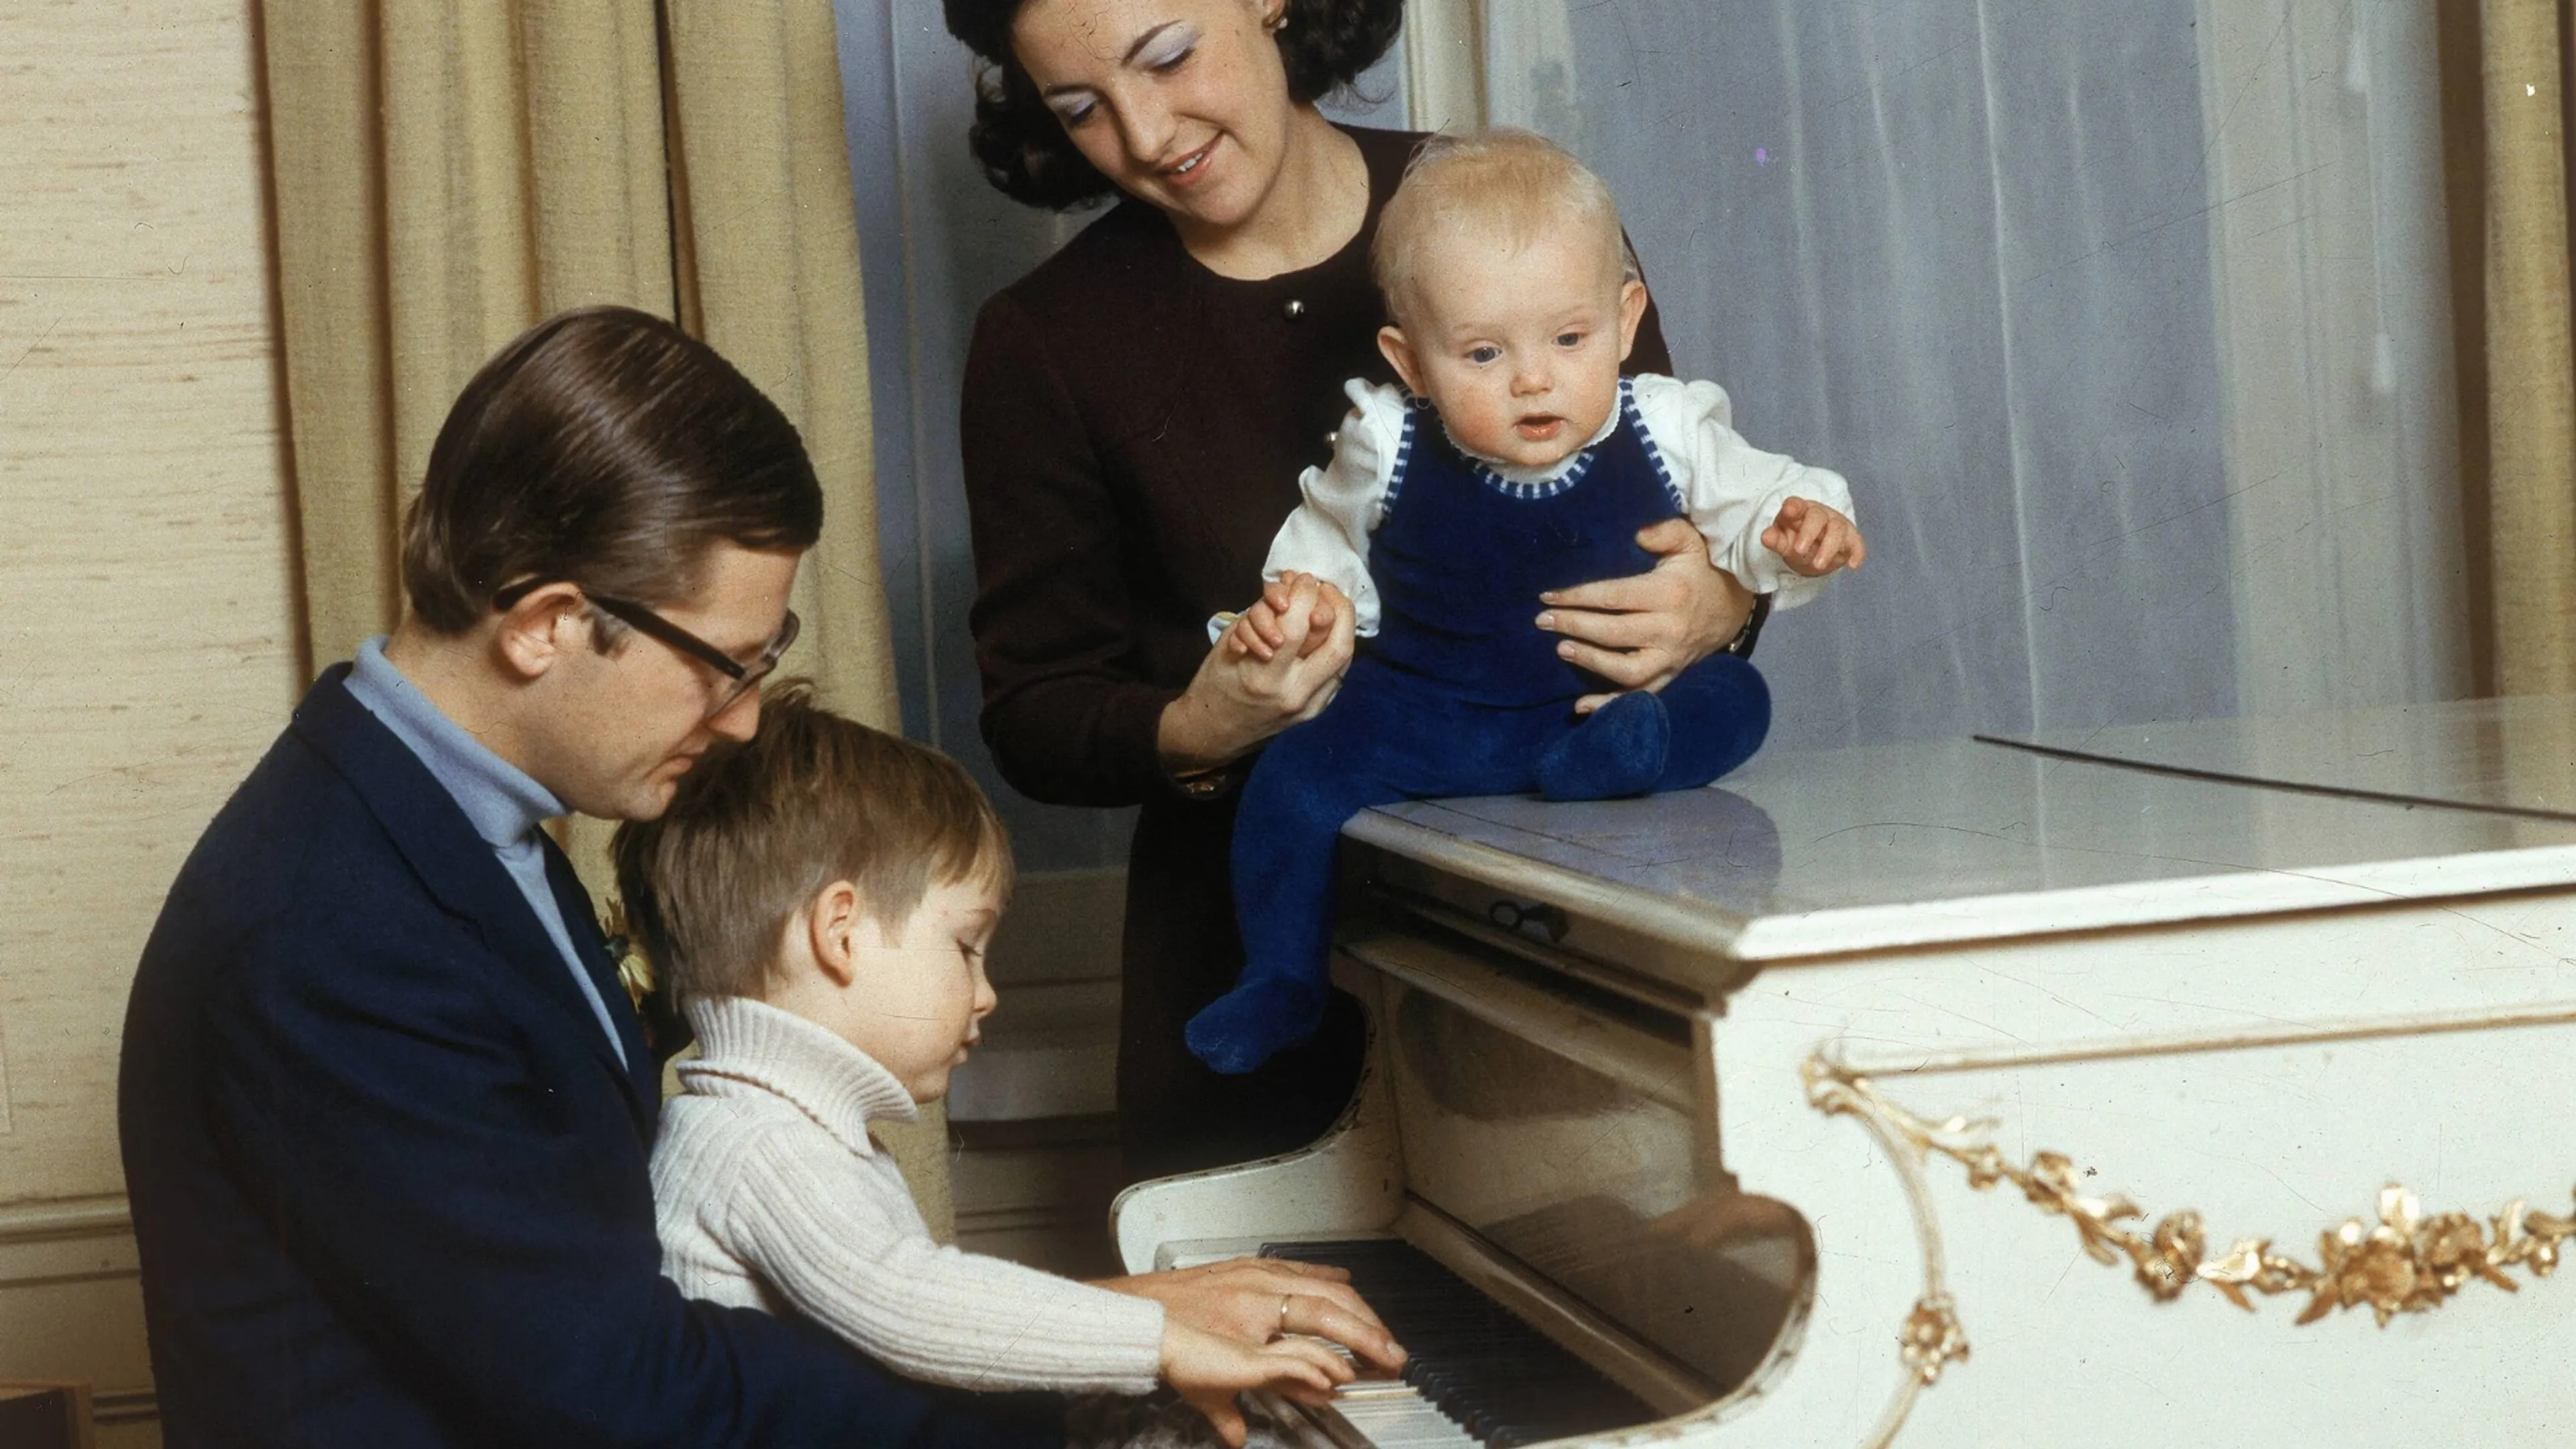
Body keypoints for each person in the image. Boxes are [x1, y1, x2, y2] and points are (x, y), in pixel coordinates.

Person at [118, 307, 1061, 1448]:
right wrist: (1061, 1373)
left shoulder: (460, 830)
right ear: (549, 626)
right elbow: (619, 1396)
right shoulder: (328, 933)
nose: (747, 719)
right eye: (726, 667)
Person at [945, 0, 1759, 1182]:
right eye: (1080, 109)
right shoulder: (1046, 338)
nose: (1145, 132)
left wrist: (1722, 601)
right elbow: (1034, 708)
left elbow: (1680, 491)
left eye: (1168, 58)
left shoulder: (1509, 208)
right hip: (1245, 974)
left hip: (1567, 949)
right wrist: (1201, 725)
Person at [1187, 130, 1864, 1073]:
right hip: (1428, 719)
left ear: (1627, 321)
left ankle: (1622, 756)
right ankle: (1282, 978)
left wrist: (1801, 527)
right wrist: (1302, 604)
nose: (1533, 378)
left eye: (1569, 338)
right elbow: (1325, 543)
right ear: (1411, 361)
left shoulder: (1665, 422)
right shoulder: (1386, 440)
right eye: (1482, 353)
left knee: (1737, 702)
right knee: (1293, 778)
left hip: (1602, 704)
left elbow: (1760, 501)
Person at [614, 684, 1407, 1448]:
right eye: (966, 948)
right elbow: (910, 1304)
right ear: (842, 931)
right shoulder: (759, 1142)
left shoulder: (775, 1121)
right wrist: (1161, 1339)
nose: (986, 995)